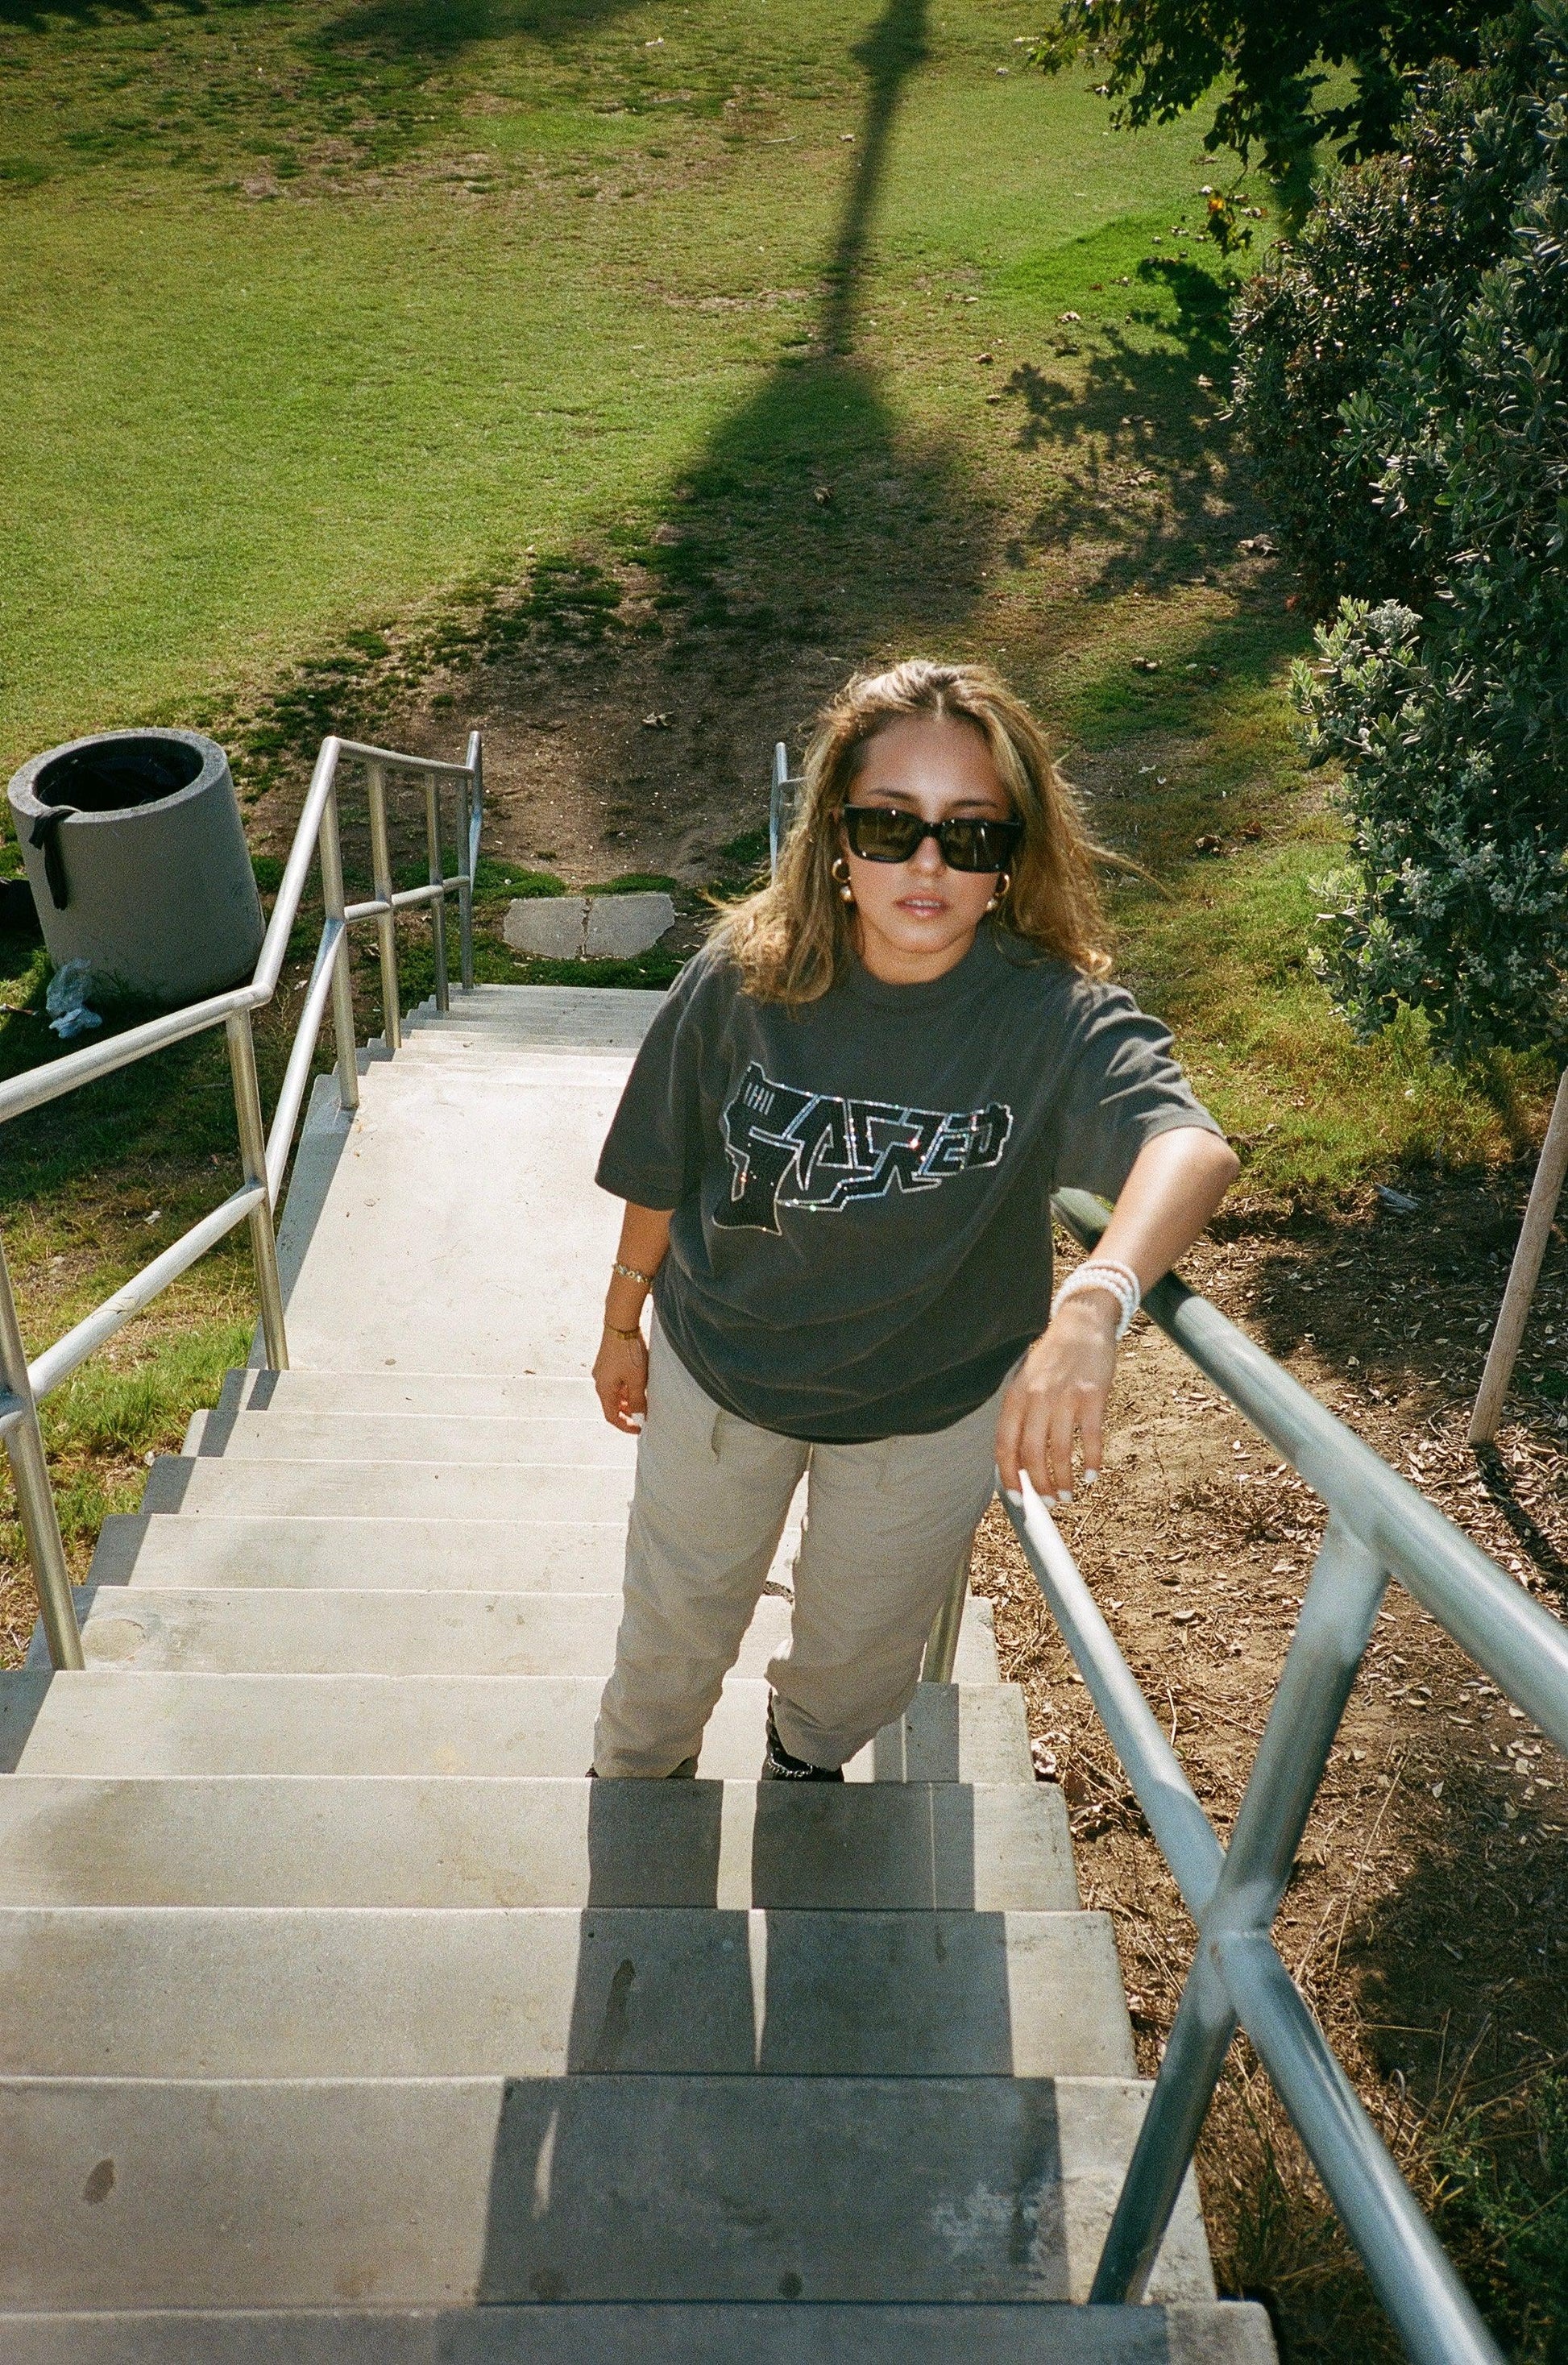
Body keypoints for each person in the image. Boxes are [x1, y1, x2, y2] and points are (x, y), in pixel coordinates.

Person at [589, 658, 1238, 1781]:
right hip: (720, 1378)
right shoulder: (741, 976)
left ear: (1012, 856)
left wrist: (1094, 1301)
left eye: (970, 834)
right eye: (890, 825)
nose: (926, 863)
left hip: (925, 1411)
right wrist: (619, 1321)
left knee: (855, 1659)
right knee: (670, 1632)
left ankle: (806, 1768)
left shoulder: (1050, 1015)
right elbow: (663, 1160)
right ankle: (638, 1783)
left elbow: (1190, 1146)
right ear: (836, 837)